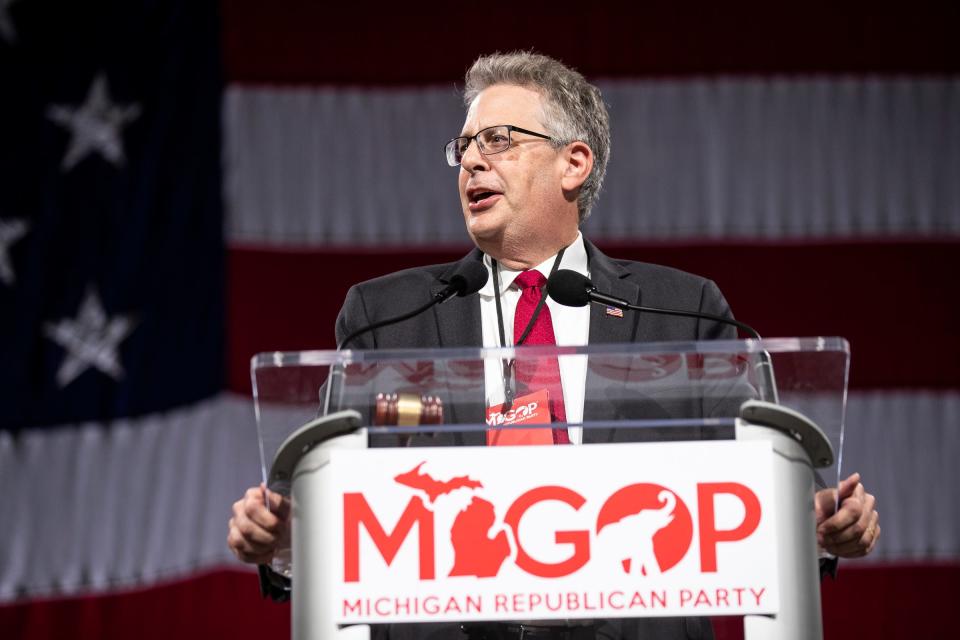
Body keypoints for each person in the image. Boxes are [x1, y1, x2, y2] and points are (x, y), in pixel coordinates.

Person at [228, 52, 880, 638]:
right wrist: (288, 539)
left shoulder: (680, 311)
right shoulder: (385, 318)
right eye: (465, 147)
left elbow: (761, 475)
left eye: (499, 141)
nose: (473, 162)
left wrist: (812, 521)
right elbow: (319, 495)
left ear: (574, 163)